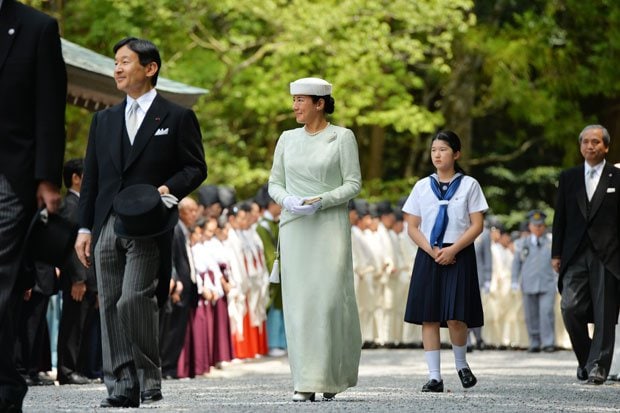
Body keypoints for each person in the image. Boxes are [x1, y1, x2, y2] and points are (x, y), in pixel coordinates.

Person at [75, 37, 207, 408]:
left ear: (150, 68)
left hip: (149, 224)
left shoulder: (177, 116)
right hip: (106, 225)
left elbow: (196, 167)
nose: (117, 68)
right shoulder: (103, 120)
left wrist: (168, 189)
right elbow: (93, 181)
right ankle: (120, 384)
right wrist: (84, 229)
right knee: (111, 302)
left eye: (125, 61)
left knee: (133, 299)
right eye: (115, 62)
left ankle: (150, 377)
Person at [268, 77, 362, 402]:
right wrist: (288, 201)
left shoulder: (342, 137)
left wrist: (322, 200)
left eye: (301, 100)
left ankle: (330, 377)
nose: (295, 106)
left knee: (328, 302)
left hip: (329, 226)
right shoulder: (286, 139)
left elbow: (353, 183)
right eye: (293, 100)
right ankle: (304, 381)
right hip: (295, 226)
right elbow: (274, 183)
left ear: (319, 103)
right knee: (300, 305)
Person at [0, 1, 67, 411]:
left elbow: (49, 108)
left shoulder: (37, 27)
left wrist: (46, 178)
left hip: (12, 174)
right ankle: (7, 384)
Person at [402, 130, 487, 393]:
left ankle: (461, 364)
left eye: (443, 149)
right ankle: (435, 376)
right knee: (429, 316)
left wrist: (453, 250)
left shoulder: (469, 184)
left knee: (455, 316)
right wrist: (432, 250)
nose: (437, 154)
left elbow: (477, 225)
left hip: (458, 254)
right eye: (433, 150)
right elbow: (413, 226)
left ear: (456, 154)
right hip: (429, 254)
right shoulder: (421, 186)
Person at [551, 124, 620, 385]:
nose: (590, 146)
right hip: (574, 253)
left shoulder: (617, 176)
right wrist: (556, 252)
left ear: (606, 147)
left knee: (605, 313)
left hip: (609, 254)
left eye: (596, 142)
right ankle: (587, 359)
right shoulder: (569, 177)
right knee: (569, 307)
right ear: (580, 146)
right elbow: (561, 218)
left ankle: (599, 367)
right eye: (586, 142)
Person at [57, 158, 97, 385]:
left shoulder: (83, 205)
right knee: (72, 324)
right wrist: (78, 278)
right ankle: (66, 369)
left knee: (82, 324)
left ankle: (78, 368)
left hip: (87, 278)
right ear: (75, 177)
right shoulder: (69, 206)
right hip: (77, 278)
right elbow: (70, 247)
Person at [511, 210, 557, 353]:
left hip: (547, 283)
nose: (538, 228)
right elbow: (516, 263)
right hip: (528, 283)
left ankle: (548, 342)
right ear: (530, 226)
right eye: (535, 225)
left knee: (546, 313)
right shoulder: (522, 243)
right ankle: (534, 342)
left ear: (544, 226)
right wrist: (514, 280)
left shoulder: (551, 243)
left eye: (541, 225)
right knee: (531, 315)